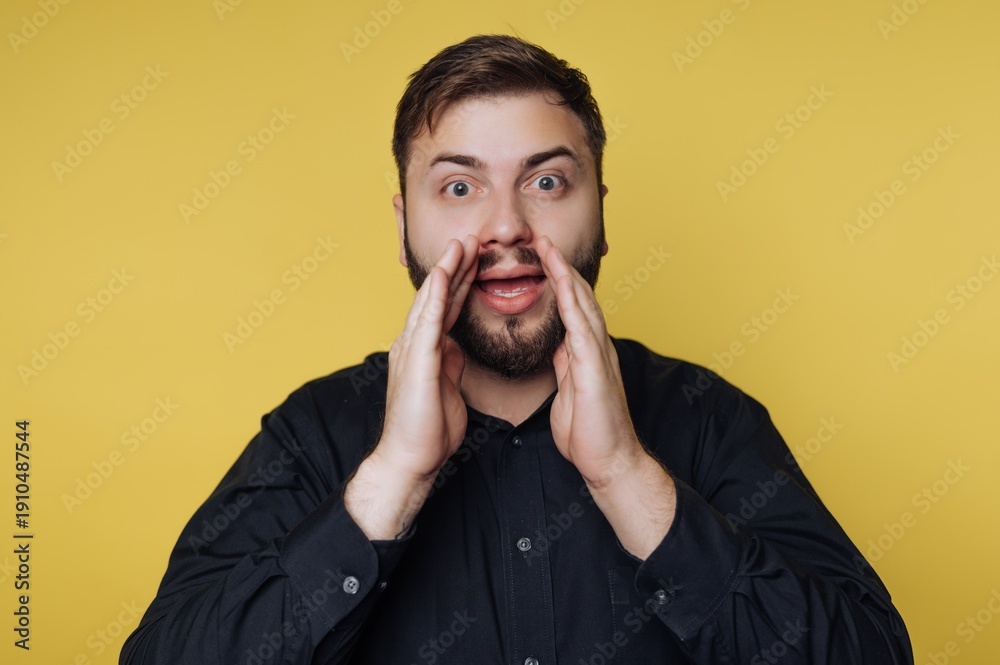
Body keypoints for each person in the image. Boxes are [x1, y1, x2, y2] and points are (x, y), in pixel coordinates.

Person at [121, 34, 914, 664]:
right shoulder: (314, 433)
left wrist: (629, 479)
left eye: (547, 182)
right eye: (460, 187)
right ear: (403, 225)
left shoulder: (707, 418)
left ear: (599, 211)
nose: (505, 227)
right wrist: (392, 481)